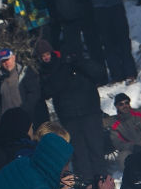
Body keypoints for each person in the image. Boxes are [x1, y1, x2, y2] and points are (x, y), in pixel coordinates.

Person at [34, 39, 111, 178]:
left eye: (47, 54)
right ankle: (86, 182)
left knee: (95, 146)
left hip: (89, 111)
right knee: (78, 151)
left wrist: (78, 62)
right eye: (42, 56)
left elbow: (99, 73)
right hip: (69, 116)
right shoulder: (46, 71)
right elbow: (47, 91)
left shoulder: (78, 64)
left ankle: (102, 178)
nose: (46, 58)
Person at [0, 47, 48, 127]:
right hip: (10, 122)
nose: (6, 63)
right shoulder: (0, 80)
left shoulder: (25, 73)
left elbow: (35, 94)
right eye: (3, 61)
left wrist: (24, 111)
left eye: (8, 59)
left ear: (13, 57)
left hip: (28, 119)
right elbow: (0, 102)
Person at [109, 93, 141, 168]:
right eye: (121, 104)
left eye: (126, 103)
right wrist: (133, 147)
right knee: (122, 157)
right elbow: (118, 143)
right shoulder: (115, 124)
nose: (124, 106)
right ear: (116, 106)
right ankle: (132, 175)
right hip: (132, 150)